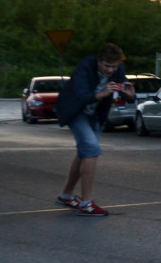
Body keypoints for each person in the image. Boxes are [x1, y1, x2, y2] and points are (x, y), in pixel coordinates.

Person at [55, 43, 135, 217]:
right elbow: (81, 96)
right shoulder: (85, 67)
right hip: (75, 110)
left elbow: (126, 94)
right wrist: (102, 93)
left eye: (114, 66)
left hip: (94, 114)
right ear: (99, 62)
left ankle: (66, 195)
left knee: (85, 153)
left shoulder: (118, 69)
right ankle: (86, 203)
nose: (110, 70)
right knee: (91, 149)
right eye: (107, 66)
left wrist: (130, 94)